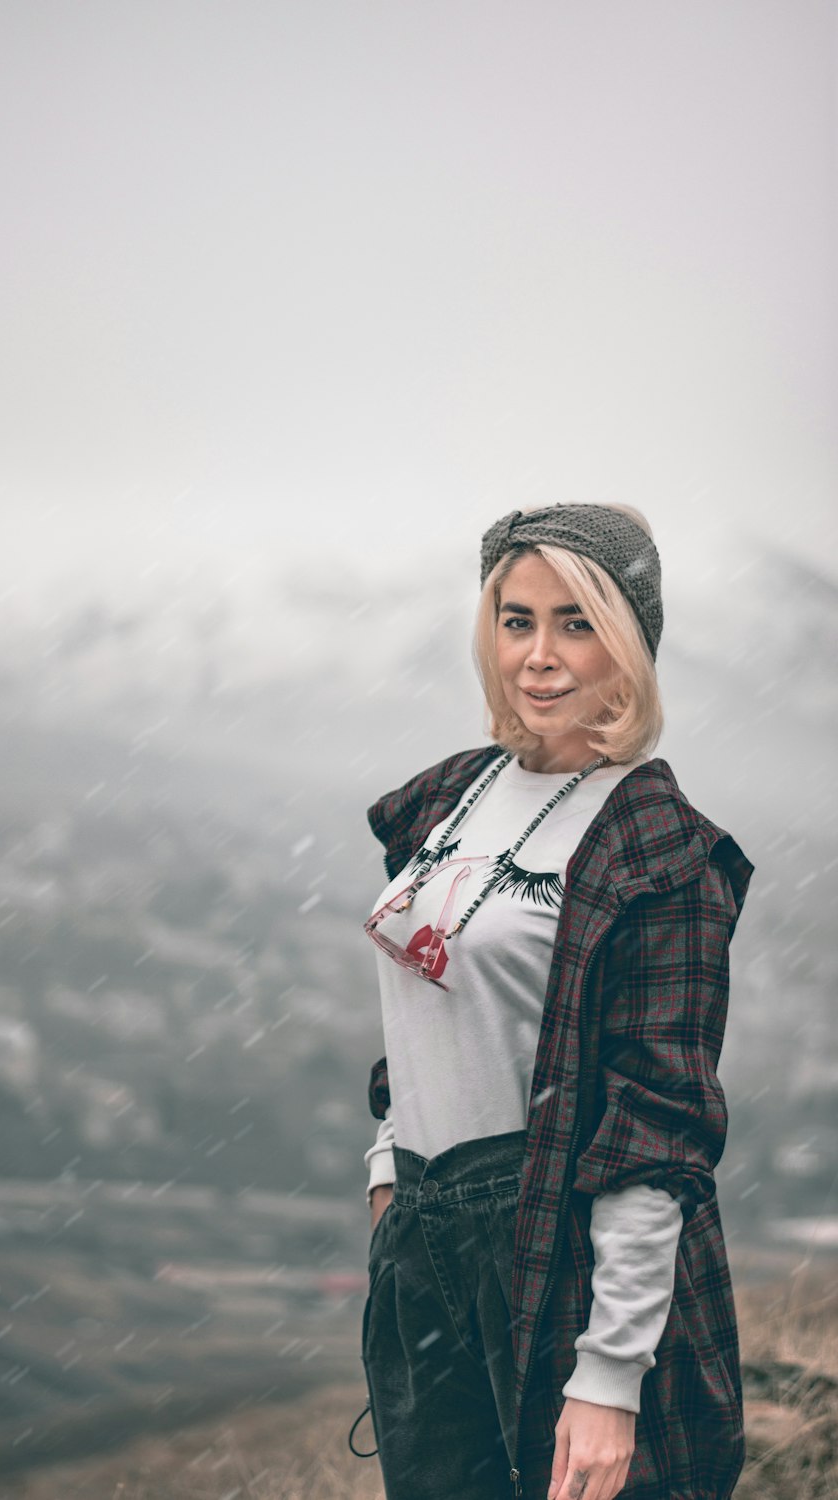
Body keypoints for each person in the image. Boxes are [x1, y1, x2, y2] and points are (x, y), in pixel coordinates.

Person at [347, 503, 754, 1500]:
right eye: (515, 619)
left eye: (576, 622)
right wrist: (388, 1174)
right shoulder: (449, 798)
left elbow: (656, 1132)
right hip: (427, 1249)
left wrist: (611, 1377)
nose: (538, 656)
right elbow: (433, 1001)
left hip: (556, 1246)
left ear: (629, 639)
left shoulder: (656, 847)